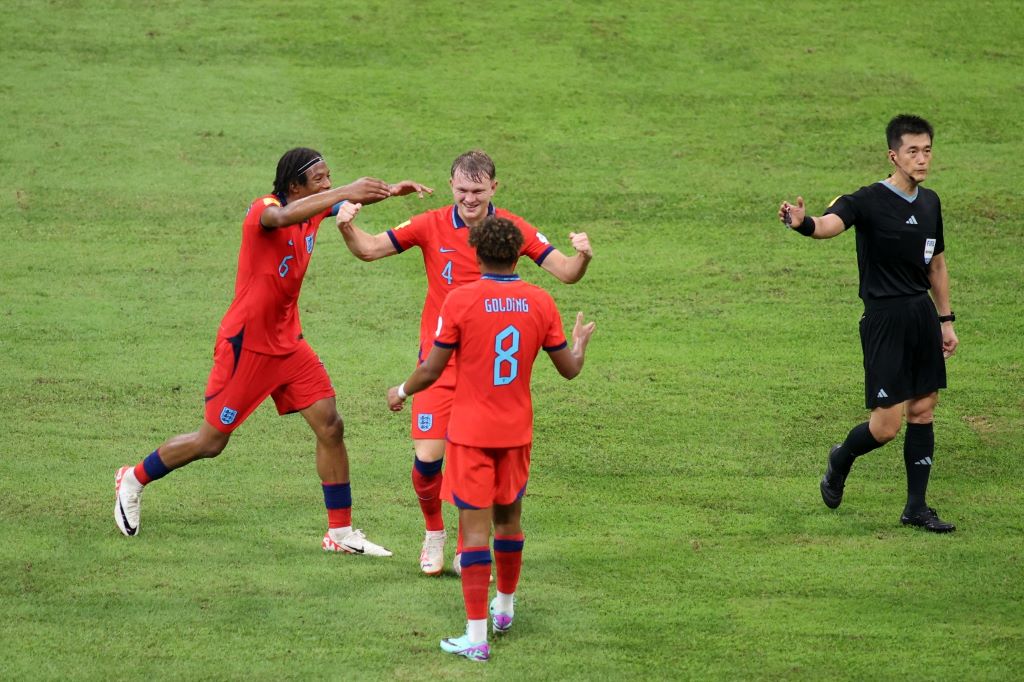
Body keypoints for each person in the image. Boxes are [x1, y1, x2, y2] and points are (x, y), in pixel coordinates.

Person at [113, 147, 432, 556]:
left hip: (289, 345)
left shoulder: (316, 208)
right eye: (320, 179)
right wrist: (344, 193)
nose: (329, 185)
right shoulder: (265, 210)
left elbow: (340, 203)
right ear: (294, 185)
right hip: (247, 348)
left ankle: (340, 532)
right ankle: (133, 478)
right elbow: (283, 216)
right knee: (211, 442)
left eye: (331, 177)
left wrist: (390, 190)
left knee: (331, 426)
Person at [337, 150, 593, 574]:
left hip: (485, 371)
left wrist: (582, 256)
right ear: (452, 186)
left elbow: (564, 272)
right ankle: (433, 532)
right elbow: (369, 249)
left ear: (494, 187)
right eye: (461, 190)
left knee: (467, 460)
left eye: (477, 190)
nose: (469, 199)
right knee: (428, 460)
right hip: (437, 362)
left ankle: (462, 546)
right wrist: (347, 226)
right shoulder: (429, 224)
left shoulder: (512, 231)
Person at [385, 215, 595, 661]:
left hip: (470, 436)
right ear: (517, 253)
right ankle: (505, 608)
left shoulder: (461, 300)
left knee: (475, 538)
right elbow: (569, 369)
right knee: (509, 524)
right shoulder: (541, 302)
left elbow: (432, 369)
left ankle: (477, 638)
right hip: (516, 434)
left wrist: (401, 392)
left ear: (477, 255)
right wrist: (579, 346)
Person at [777, 114, 959, 532]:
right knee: (886, 426)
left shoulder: (931, 203)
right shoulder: (866, 200)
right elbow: (828, 225)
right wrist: (802, 222)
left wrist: (945, 319)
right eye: (912, 151)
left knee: (924, 408)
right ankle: (841, 458)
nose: (921, 158)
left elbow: (937, 264)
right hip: (885, 319)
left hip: (920, 315)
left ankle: (916, 508)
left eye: (927, 150)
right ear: (893, 155)